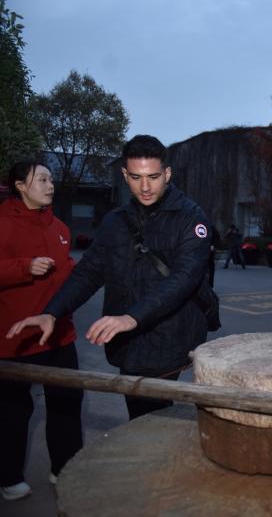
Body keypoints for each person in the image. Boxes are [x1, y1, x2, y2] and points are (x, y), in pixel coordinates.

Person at [7, 135, 212, 420]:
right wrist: (52, 312)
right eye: (136, 177)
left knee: (151, 417)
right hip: (126, 340)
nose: (145, 187)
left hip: (168, 335)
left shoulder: (191, 217)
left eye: (153, 177)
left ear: (167, 173)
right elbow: (89, 272)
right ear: (125, 175)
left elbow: (184, 278)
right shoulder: (115, 221)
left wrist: (131, 317)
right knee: (140, 415)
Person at [0, 161, 83, 500]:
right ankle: (8, 478)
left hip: (61, 334)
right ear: (20, 185)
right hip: (16, 338)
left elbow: (68, 273)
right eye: (42, 179)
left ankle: (65, 468)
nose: (50, 185)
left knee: (67, 403)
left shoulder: (59, 226)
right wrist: (24, 267)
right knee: (13, 411)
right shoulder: (3, 223)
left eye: (51, 179)